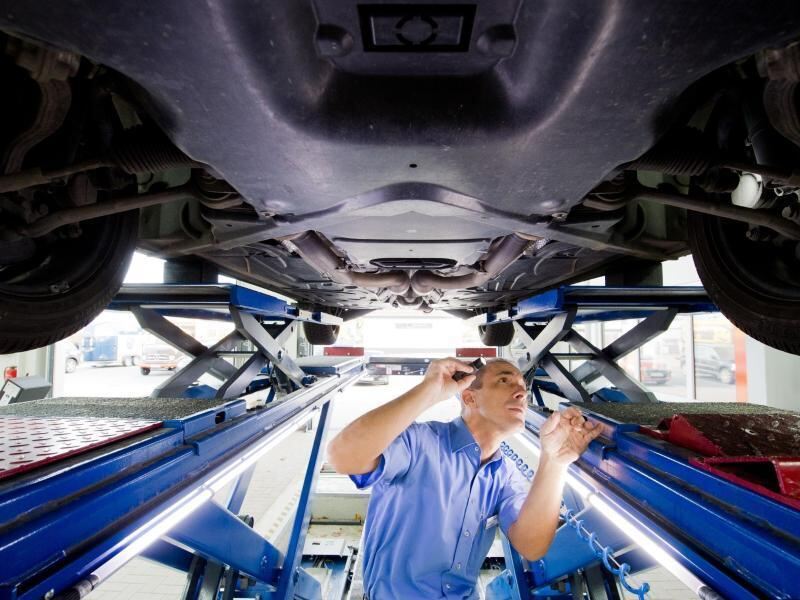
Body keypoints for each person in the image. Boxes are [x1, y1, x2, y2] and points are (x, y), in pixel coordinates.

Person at [327, 357, 601, 599]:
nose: (521, 393)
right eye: (504, 381)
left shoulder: (505, 475)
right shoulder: (421, 443)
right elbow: (342, 456)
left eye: (523, 388)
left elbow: (532, 545)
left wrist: (554, 461)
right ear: (469, 398)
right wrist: (428, 391)